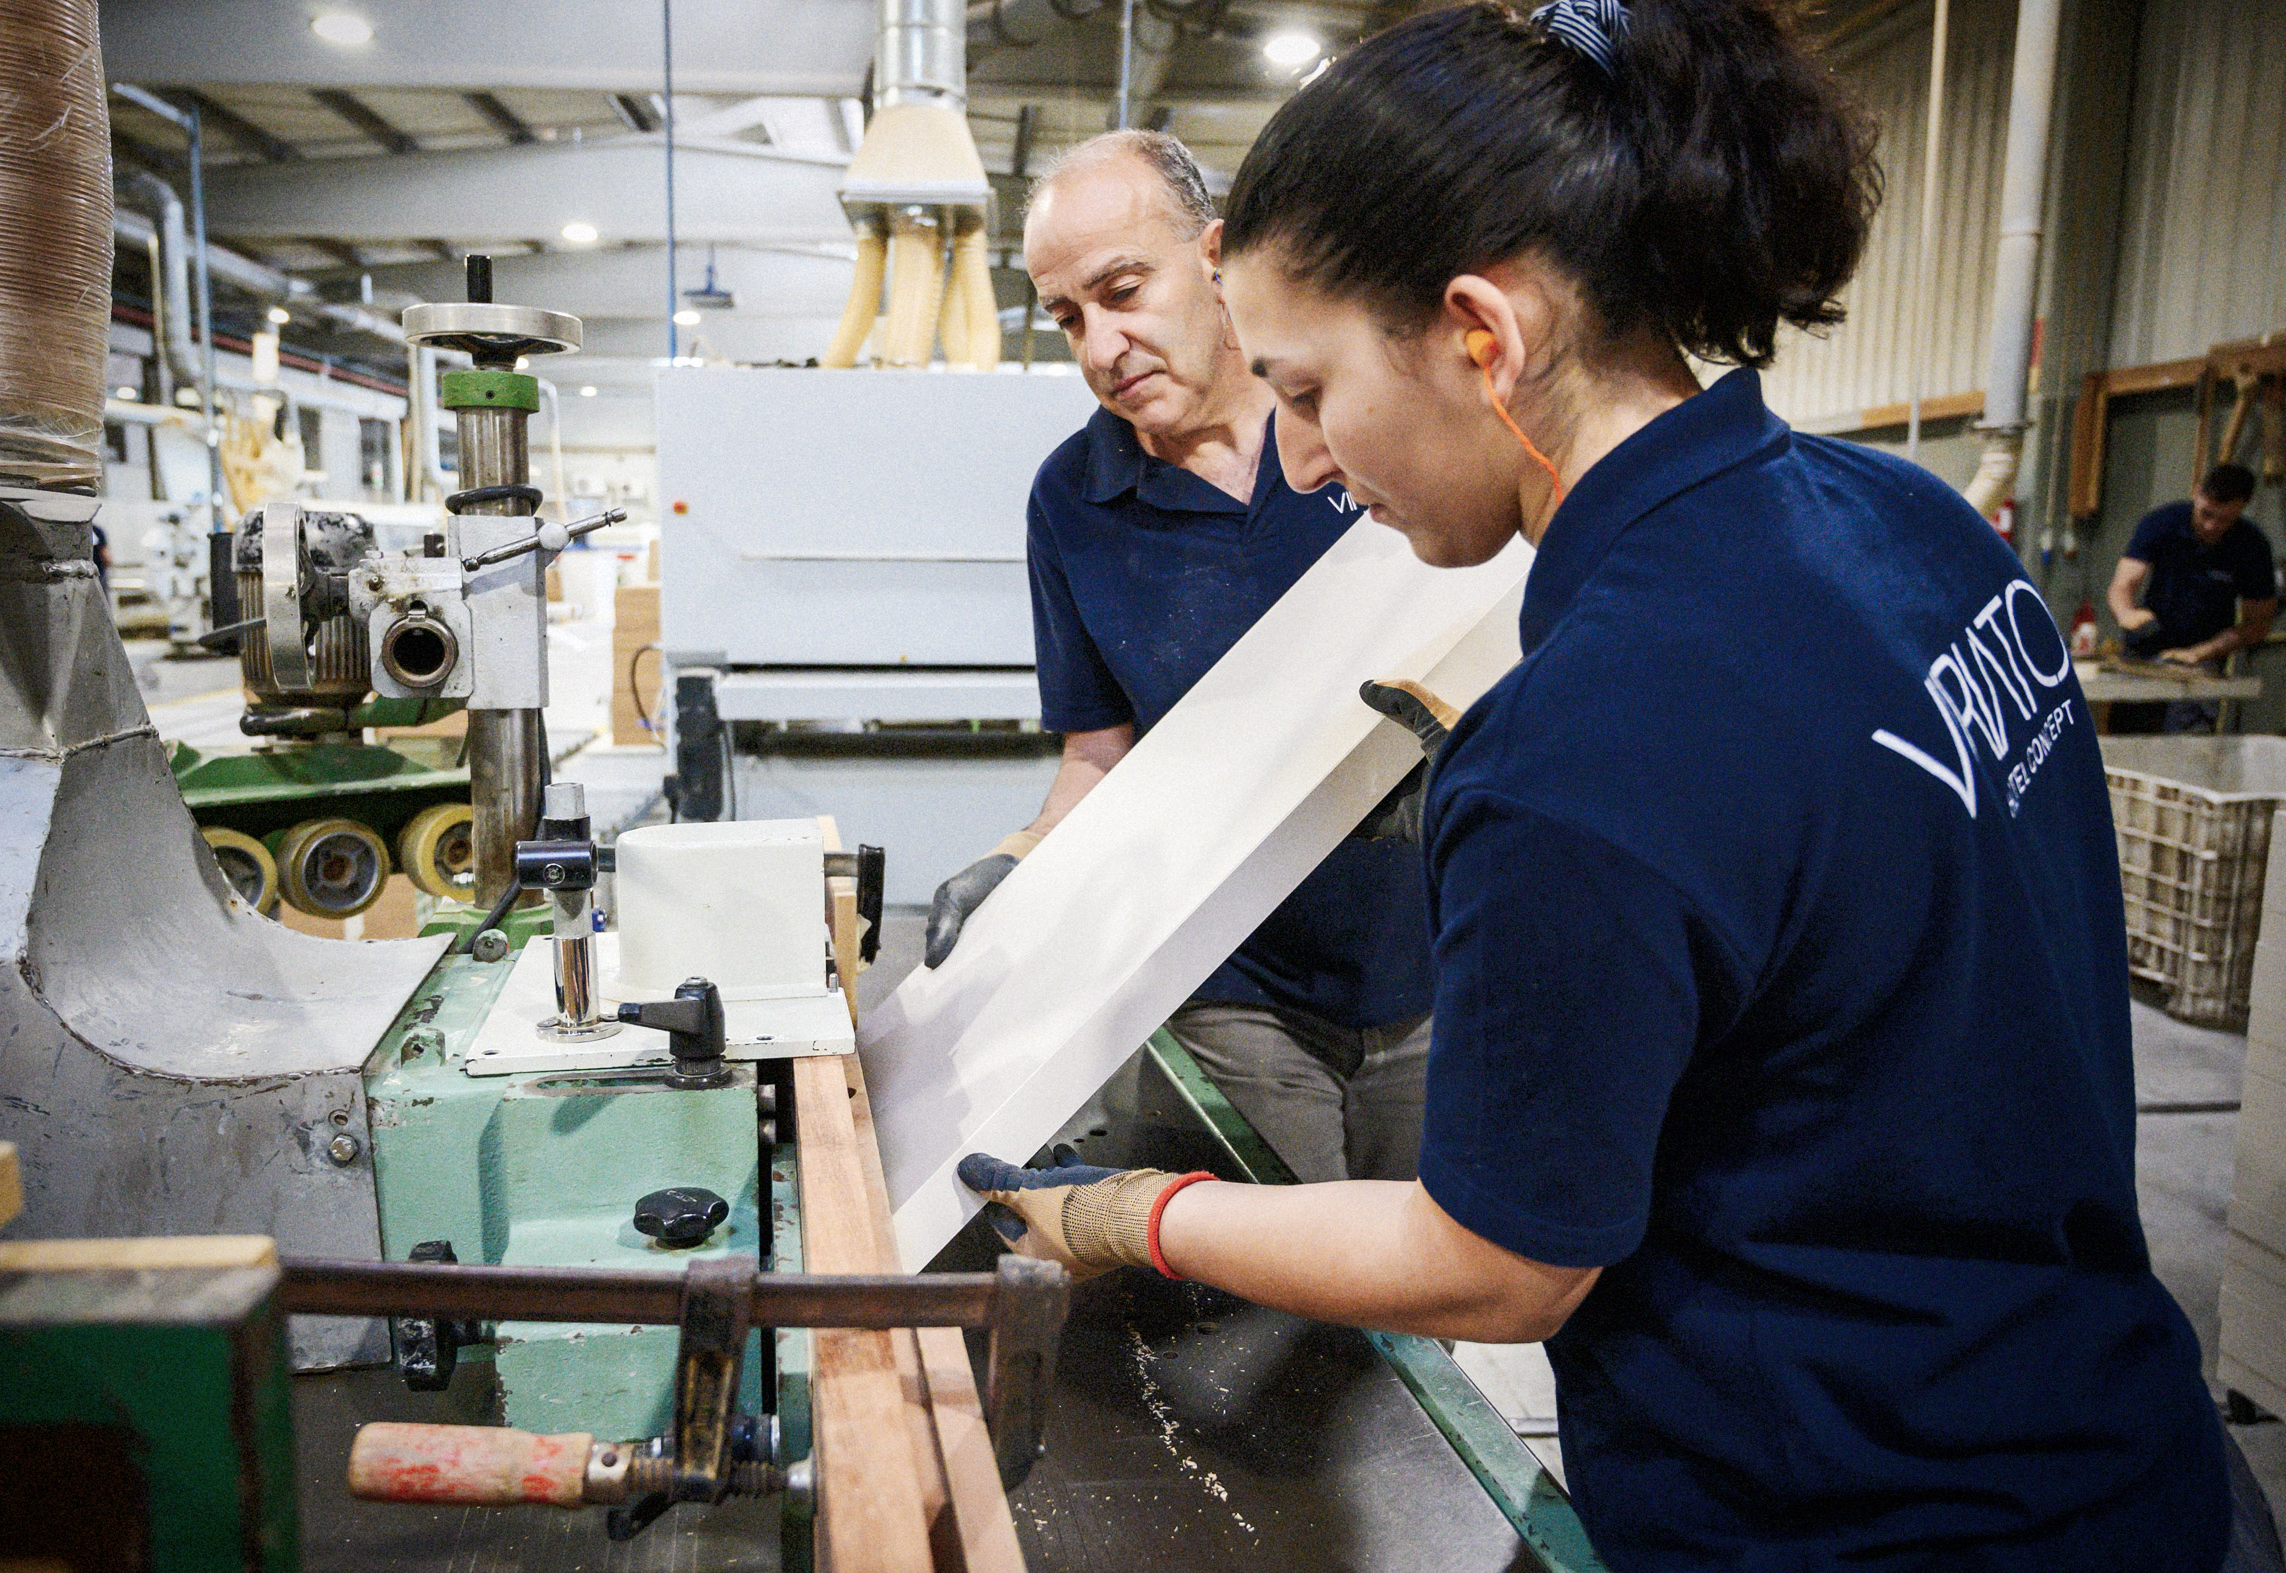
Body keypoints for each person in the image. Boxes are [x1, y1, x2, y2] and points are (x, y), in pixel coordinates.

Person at [960, 4, 2277, 1569]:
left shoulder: (1577, 743)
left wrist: (1123, 1213)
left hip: (1856, 1520)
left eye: (1308, 390)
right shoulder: (1917, 527)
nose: (1304, 462)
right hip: (2121, 1455)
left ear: (1482, 334)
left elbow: (1495, 1267)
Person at [921, 130, 1438, 1186]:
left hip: (1437, 958)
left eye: (1122, 291)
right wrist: (1023, 860)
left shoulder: (1361, 421)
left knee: (1421, 1292)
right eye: (1068, 317)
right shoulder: (1074, 501)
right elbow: (1098, 755)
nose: (1101, 345)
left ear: (1214, 257)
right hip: (1227, 970)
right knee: (1294, 1297)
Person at [2106, 462, 2275, 733]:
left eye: (2224, 520)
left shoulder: (2252, 546)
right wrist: (2128, 614)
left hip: (2203, 658)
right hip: (2147, 649)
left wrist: (2200, 653)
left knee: (2186, 743)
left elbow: (2258, 624)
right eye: (2206, 514)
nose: (2211, 526)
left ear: (2242, 508)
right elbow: (2122, 585)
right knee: (2129, 737)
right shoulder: (2162, 523)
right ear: (2197, 493)